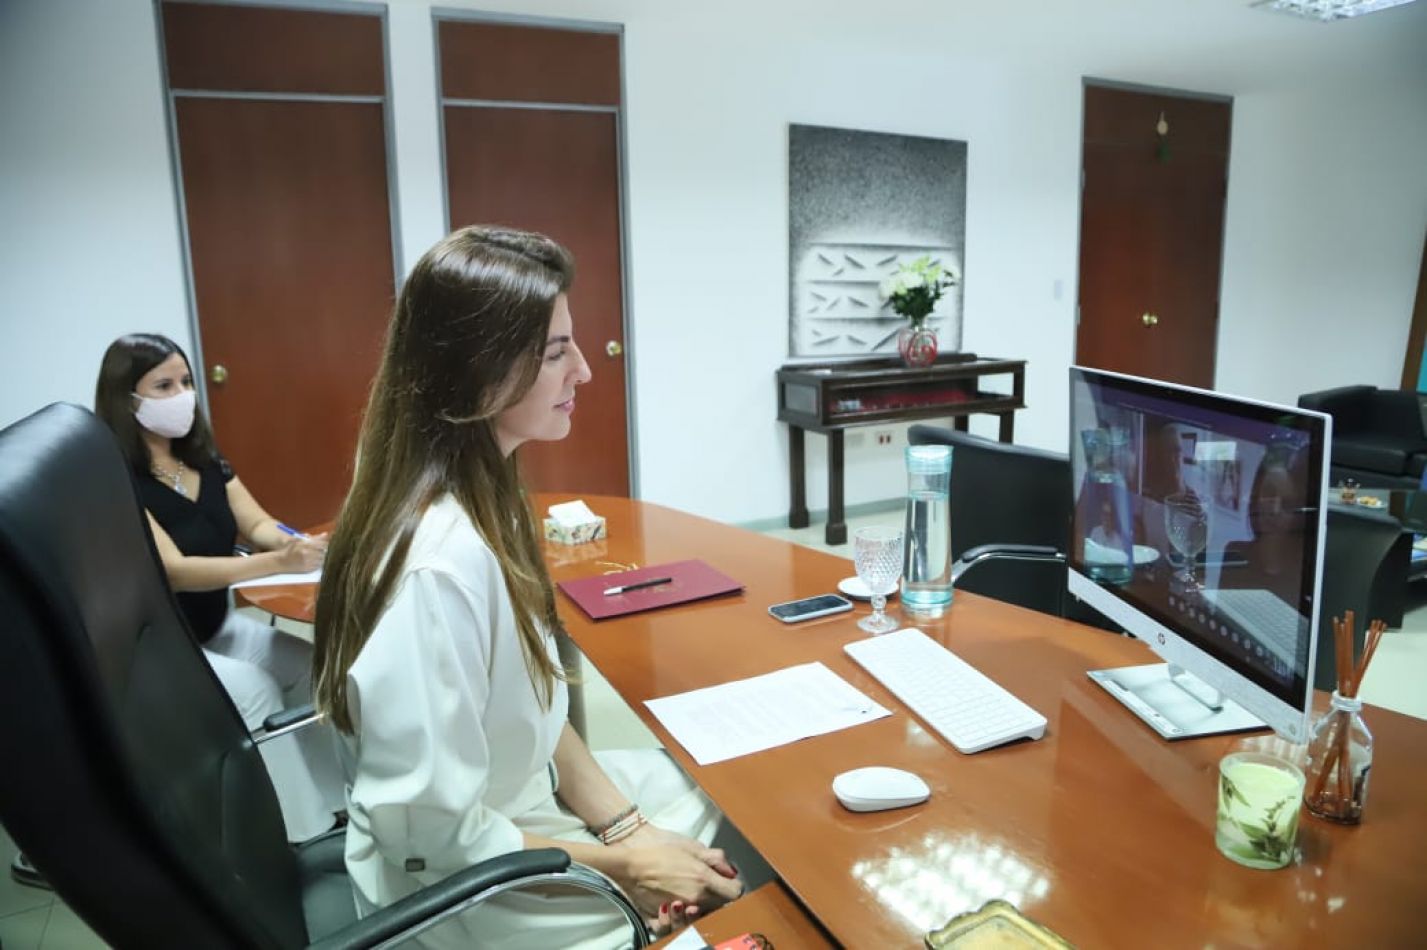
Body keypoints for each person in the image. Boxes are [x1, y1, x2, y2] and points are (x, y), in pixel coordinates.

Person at [311, 226, 744, 948]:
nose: (585, 372)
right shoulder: (436, 569)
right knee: (740, 873)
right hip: (466, 890)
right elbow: (434, 836)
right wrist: (629, 866)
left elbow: (534, 702)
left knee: (732, 798)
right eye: (555, 353)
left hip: (523, 811)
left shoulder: (489, 498)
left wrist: (627, 827)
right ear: (478, 372)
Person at [93, 333, 345, 843]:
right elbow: (176, 570)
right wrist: (276, 563)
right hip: (160, 645)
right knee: (255, 690)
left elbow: (257, 524)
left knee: (313, 668)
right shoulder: (117, 480)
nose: (183, 395)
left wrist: (292, 543)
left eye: (186, 381)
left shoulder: (203, 460)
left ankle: (338, 804)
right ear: (126, 400)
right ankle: (302, 831)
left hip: (214, 626)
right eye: (164, 386)